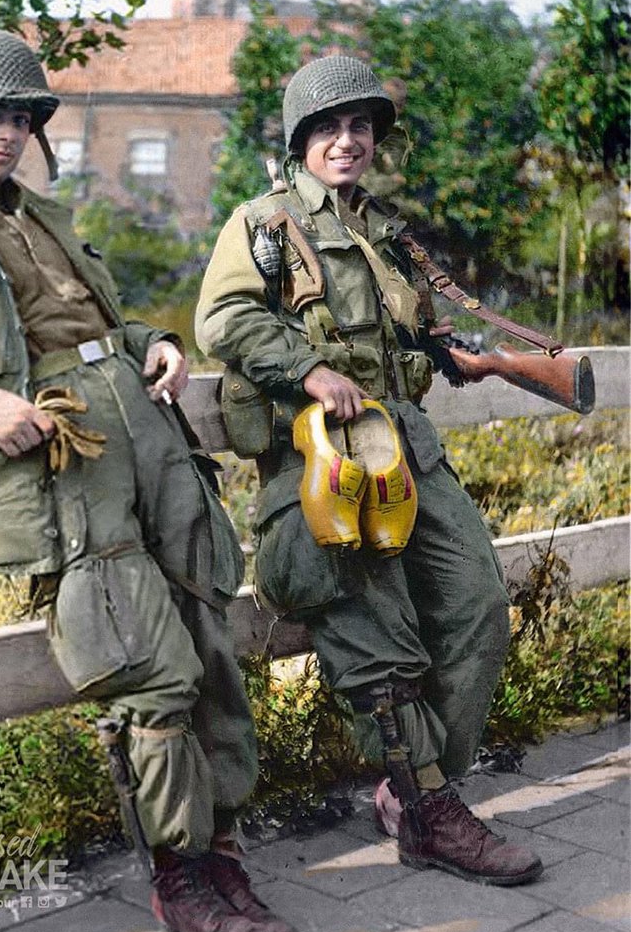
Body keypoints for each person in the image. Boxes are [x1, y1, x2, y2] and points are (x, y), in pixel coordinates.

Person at [0, 26, 299, 932]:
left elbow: (96, 322)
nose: (2, 132)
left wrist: (153, 341)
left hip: (148, 441)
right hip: (58, 464)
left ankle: (222, 852)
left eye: (16, 115)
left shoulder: (44, 217)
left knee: (211, 645)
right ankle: (182, 880)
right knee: (143, 670)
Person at [195, 53, 543, 887]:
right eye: (328, 128)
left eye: (360, 128)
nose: (346, 141)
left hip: (408, 445)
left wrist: (455, 353)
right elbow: (222, 317)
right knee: (375, 634)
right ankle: (432, 812)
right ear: (300, 141)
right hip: (321, 453)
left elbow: (407, 336)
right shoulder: (263, 224)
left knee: (478, 603)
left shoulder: (384, 230)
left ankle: (416, 788)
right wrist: (309, 370)